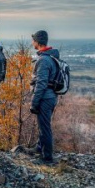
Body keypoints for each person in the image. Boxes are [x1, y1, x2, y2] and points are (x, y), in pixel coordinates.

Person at [30, 30, 59, 164]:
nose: (32, 42)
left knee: (44, 128)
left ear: (38, 42)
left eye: (33, 40)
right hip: (51, 96)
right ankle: (39, 148)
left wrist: (34, 103)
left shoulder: (44, 60)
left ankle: (47, 158)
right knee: (44, 125)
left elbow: (41, 84)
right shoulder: (52, 57)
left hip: (45, 98)